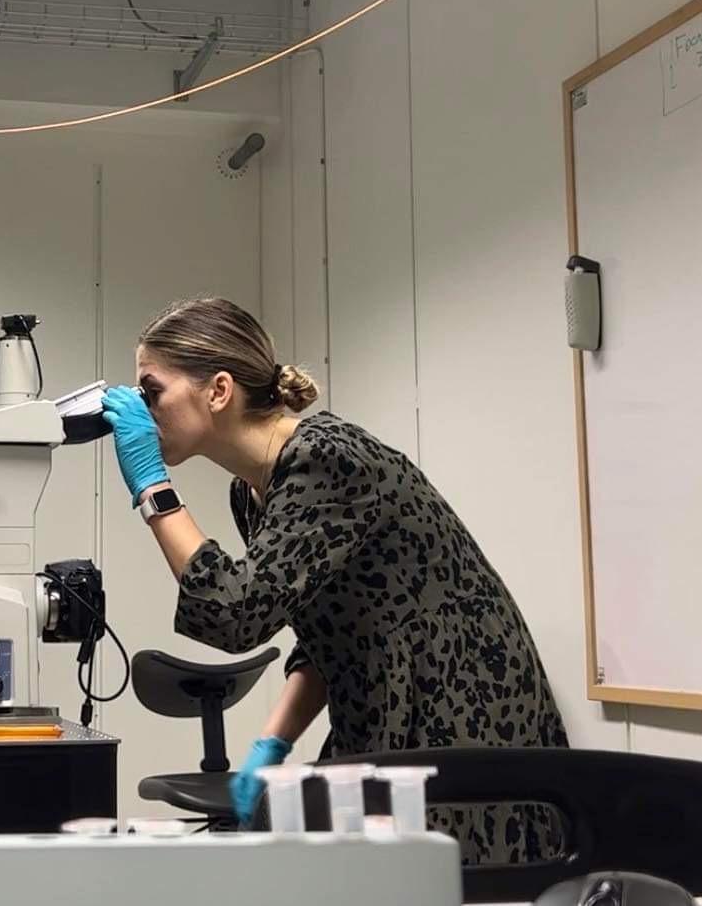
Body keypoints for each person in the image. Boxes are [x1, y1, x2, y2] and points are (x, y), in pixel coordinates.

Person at [102, 297, 568, 863]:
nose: (141, 411)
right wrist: (272, 742)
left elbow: (236, 614)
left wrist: (153, 490)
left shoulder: (326, 459)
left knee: (438, 883)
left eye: (151, 393)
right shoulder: (252, 492)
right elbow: (329, 629)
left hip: (460, 707)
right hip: (378, 703)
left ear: (219, 390)